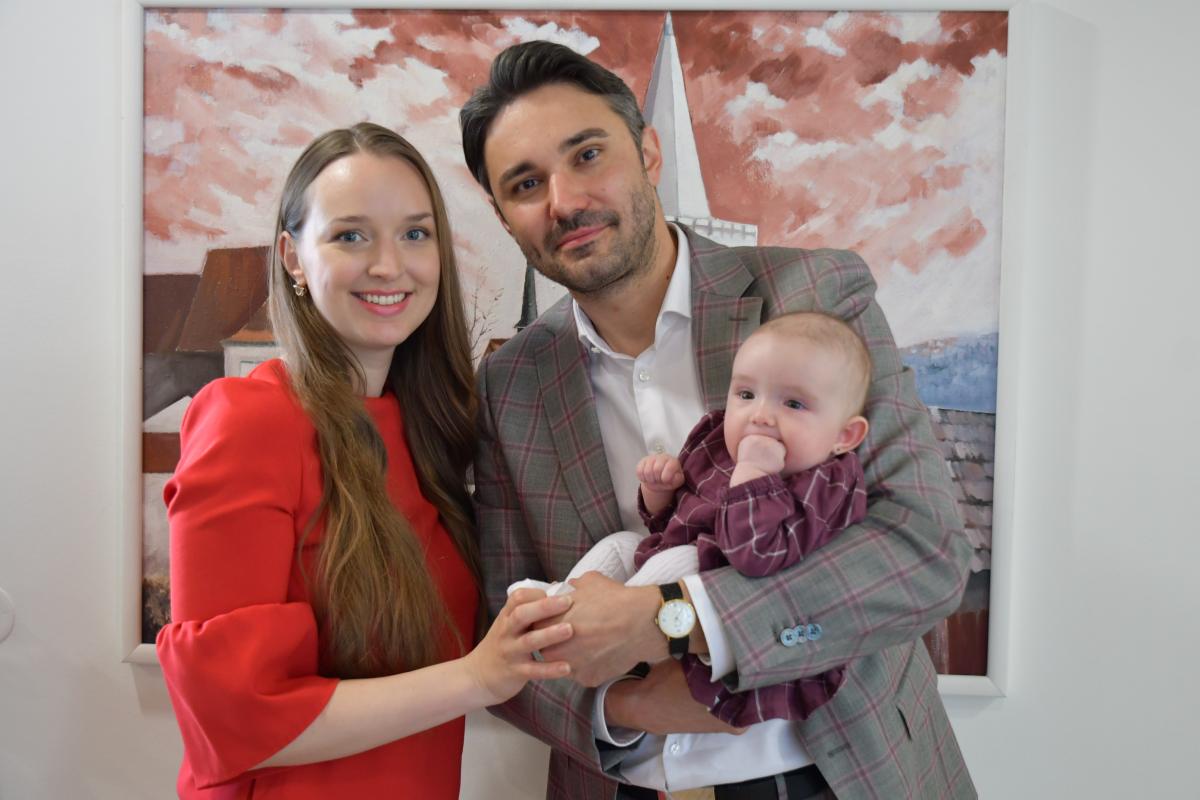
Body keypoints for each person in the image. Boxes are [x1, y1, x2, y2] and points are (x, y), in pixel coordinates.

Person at [462, 41, 977, 800]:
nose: (563, 201)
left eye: (588, 154)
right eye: (526, 183)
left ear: (648, 152)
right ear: (503, 215)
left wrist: (676, 618)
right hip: (625, 781)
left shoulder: (814, 295)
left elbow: (924, 550)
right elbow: (504, 630)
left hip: (840, 773)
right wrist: (624, 706)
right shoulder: (509, 386)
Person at [155, 122, 574, 799]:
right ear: (293, 257)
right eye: (351, 236)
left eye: (415, 234)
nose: (388, 265)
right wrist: (477, 676)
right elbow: (233, 718)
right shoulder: (249, 420)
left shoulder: (430, 431)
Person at [512, 311, 872, 728]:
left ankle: (605, 634)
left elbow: (755, 554)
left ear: (844, 436)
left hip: (727, 598)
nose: (759, 415)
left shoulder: (826, 484)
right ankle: (560, 607)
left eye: (793, 404)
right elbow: (668, 524)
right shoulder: (718, 443)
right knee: (622, 544)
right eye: (746, 394)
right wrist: (660, 491)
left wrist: (754, 476)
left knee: (680, 560)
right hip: (674, 564)